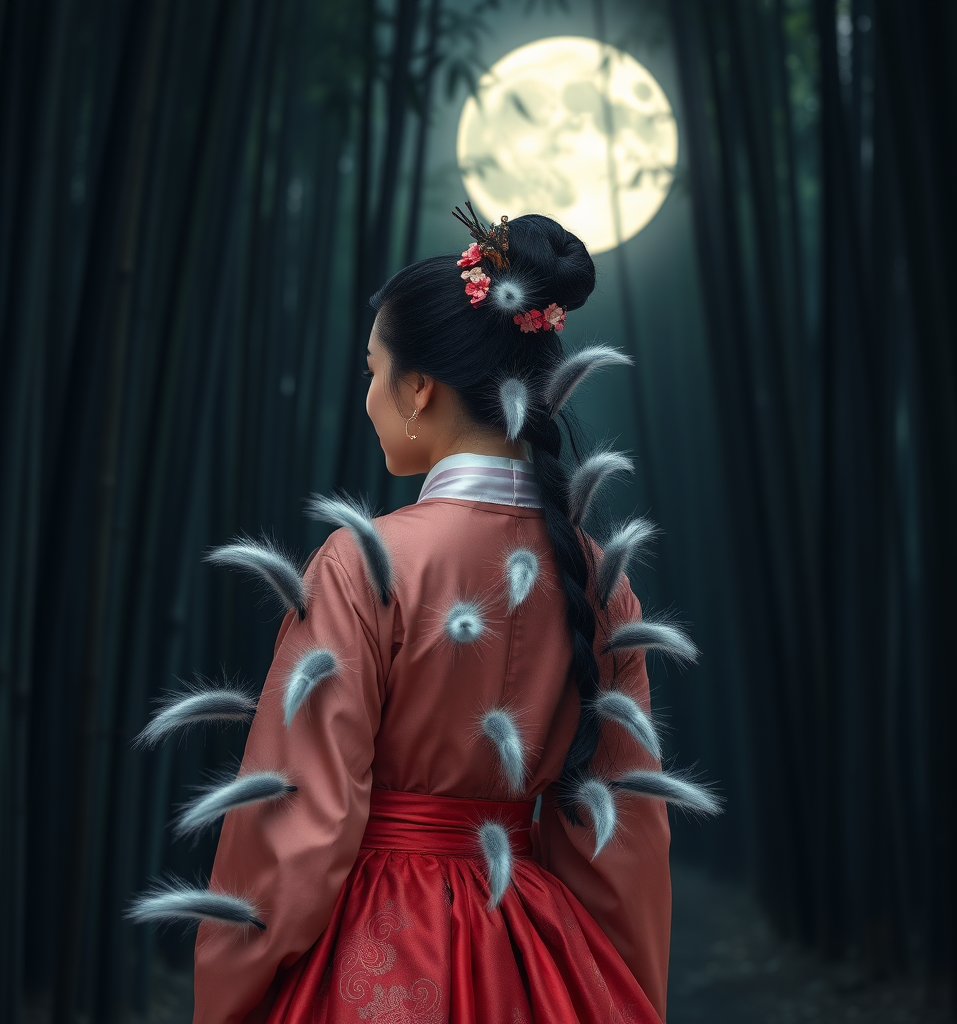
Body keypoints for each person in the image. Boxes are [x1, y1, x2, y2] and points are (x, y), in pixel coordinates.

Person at [129, 207, 720, 1023]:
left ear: (417, 389)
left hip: (379, 959)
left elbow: (298, 831)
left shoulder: (363, 564)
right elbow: (621, 835)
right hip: (535, 957)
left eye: (372, 371)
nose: (369, 396)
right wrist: (613, 993)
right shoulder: (600, 579)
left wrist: (230, 994)